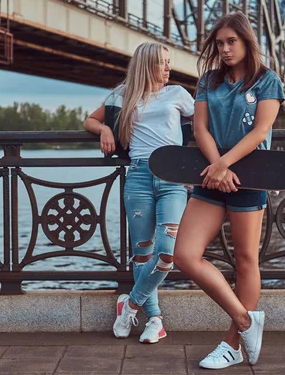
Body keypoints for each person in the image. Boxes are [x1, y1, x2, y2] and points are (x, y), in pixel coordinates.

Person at [173, 11, 285, 369]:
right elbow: (200, 129)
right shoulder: (208, 81)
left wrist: (225, 164)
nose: (224, 48)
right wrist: (217, 165)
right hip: (212, 177)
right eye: (219, 43)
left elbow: (260, 132)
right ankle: (246, 319)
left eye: (230, 41)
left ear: (246, 41)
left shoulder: (267, 81)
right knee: (185, 255)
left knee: (245, 260)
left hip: (249, 177)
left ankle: (233, 345)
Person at [83, 42, 194, 343]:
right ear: (147, 65)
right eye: (163, 62)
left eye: (170, 62)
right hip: (139, 178)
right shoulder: (123, 94)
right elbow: (90, 120)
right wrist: (105, 130)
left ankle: (129, 305)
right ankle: (155, 320)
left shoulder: (178, 95)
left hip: (172, 178)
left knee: (166, 253)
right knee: (143, 253)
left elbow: (204, 126)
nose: (169, 68)